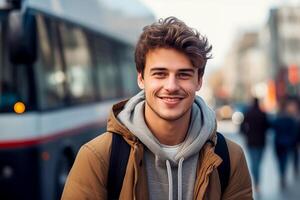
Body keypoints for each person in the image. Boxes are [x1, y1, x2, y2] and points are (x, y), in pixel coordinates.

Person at [61, 17, 252, 199]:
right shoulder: (98, 157)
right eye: (160, 74)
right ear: (141, 79)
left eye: (183, 75)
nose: (171, 86)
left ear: (199, 81)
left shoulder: (230, 158)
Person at [240, 97, 269, 192]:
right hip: (261, 142)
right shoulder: (262, 114)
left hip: (251, 141)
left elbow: (241, 128)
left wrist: (247, 134)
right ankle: (257, 182)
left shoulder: (248, 113)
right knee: (258, 162)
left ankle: (256, 182)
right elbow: (267, 127)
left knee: (254, 162)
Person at [271, 99, 298, 189]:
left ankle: (281, 174)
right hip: (286, 143)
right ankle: (283, 174)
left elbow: (272, 127)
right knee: (284, 160)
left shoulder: (277, 119)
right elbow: (294, 131)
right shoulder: (290, 119)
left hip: (278, 143)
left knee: (280, 161)